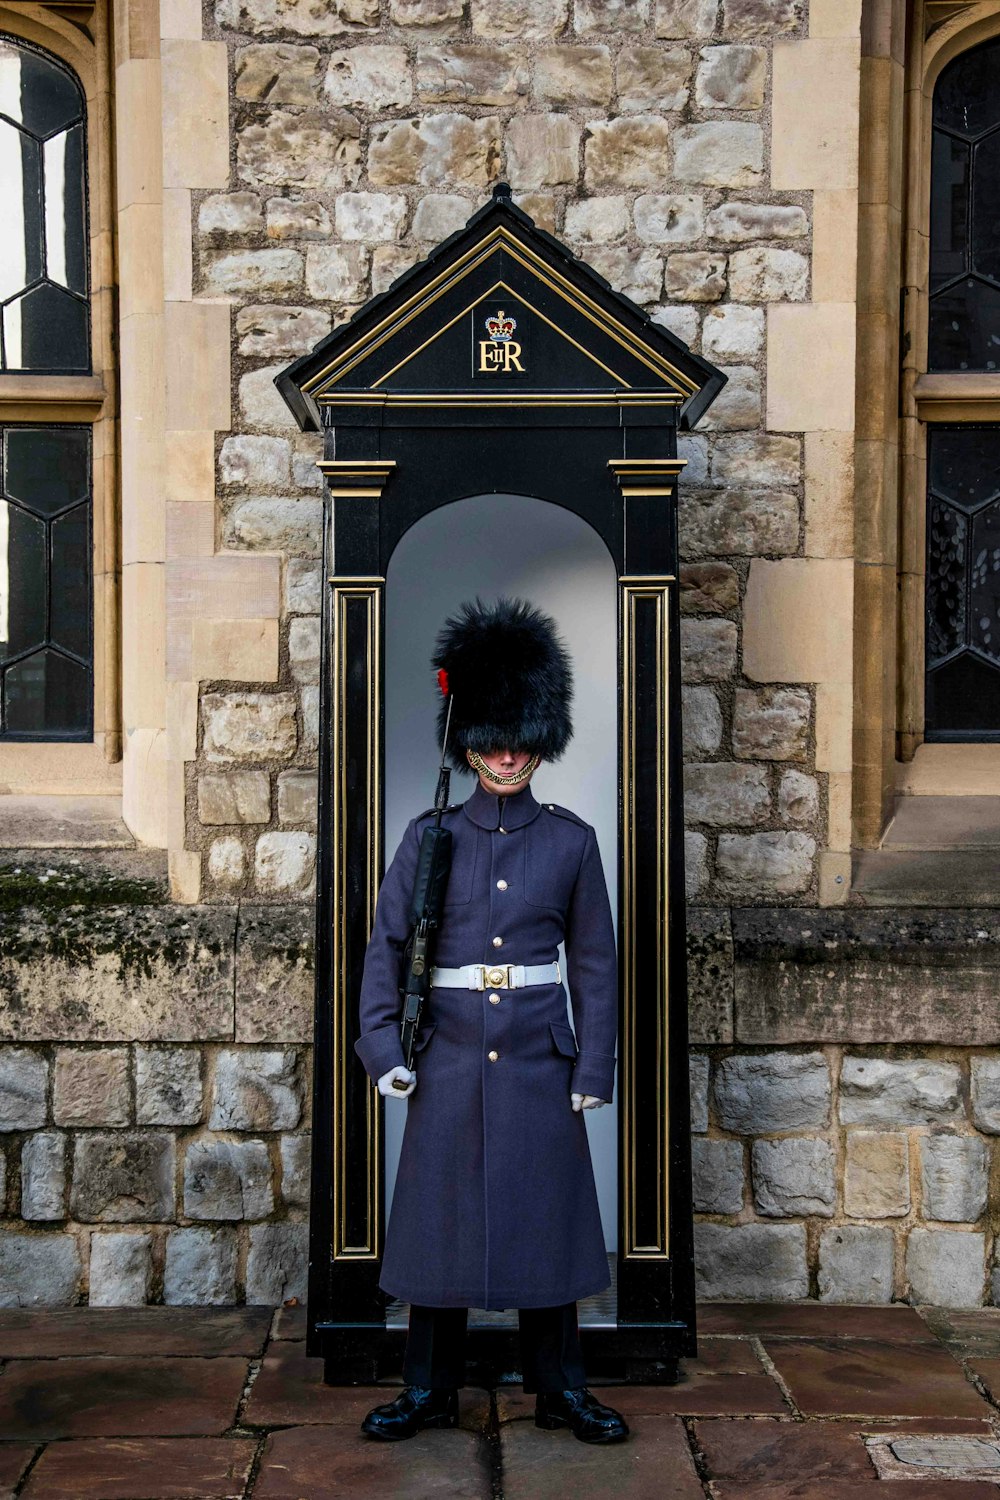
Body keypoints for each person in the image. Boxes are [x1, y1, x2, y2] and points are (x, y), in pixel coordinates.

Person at [355, 597, 628, 1445]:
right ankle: (428, 1389)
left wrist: (591, 1071)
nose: (509, 756)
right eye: (493, 739)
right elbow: (388, 946)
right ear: (468, 741)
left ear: (540, 743)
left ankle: (560, 1390)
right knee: (438, 1226)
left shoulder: (570, 842)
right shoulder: (426, 836)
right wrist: (380, 1045)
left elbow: (594, 964)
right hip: (449, 1049)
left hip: (541, 1056)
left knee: (546, 1224)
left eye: (522, 742)